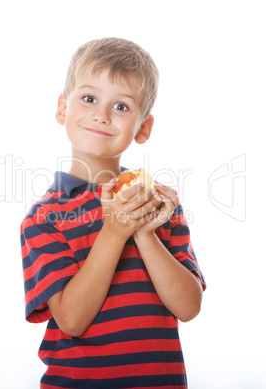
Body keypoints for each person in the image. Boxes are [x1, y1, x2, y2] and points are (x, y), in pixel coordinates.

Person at [20, 37, 206, 388]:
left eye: (121, 106)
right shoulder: (43, 218)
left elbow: (188, 307)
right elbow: (72, 320)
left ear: (144, 128)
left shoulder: (157, 204)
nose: (101, 115)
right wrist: (114, 232)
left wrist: (144, 232)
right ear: (62, 109)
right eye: (89, 99)